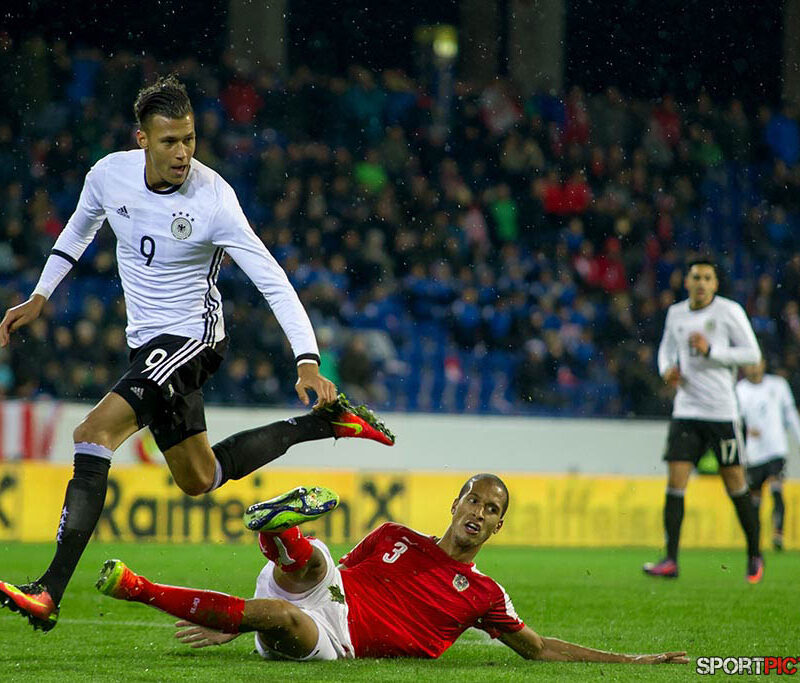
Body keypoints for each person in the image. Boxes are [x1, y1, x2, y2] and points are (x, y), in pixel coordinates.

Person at [0, 75, 395, 632]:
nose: (183, 152)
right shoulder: (108, 175)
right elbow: (78, 230)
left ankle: (49, 591)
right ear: (142, 139)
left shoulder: (214, 199)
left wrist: (306, 358)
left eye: (189, 139)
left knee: (93, 433)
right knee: (199, 476)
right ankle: (325, 424)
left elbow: (273, 280)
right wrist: (41, 295)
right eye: (169, 141)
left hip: (194, 340)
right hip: (147, 347)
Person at [95, 475, 688, 666]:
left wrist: (630, 662)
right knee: (312, 560)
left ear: (498, 527)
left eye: (491, 510)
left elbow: (538, 649)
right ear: (454, 504)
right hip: (331, 589)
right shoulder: (393, 536)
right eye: (474, 500)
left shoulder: (486, 593)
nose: (479, 513)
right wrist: (234, 625)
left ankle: (136, 587)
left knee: (278, 614)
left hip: (338, 639)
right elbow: (335, 575)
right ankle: (280, 533)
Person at [643, 259, 763, 582]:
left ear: (715, 284)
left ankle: (754, 553)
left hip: (721, 412)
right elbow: (665, 350)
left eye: (707, 278)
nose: (701, 283)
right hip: (686, 410)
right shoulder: (676, 314)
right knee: (675, 482)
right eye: (696, 277)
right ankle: (671, 560)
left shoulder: (729, 312)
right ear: (686, 282)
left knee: (735, 483)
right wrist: (666, 370)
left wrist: (712, 351)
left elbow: (752, 354)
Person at [736, 359, 800, 550]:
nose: (753, 368)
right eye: (750, 364)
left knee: (776, 488)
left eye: (756, 363)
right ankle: (755, 538)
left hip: (775, 449)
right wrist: (746, 431)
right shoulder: (740, 389)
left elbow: (790, 415)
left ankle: (778, 534)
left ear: (763, 364)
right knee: (755, 498)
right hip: (753, 453)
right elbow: (736, 420)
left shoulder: (778, 385)